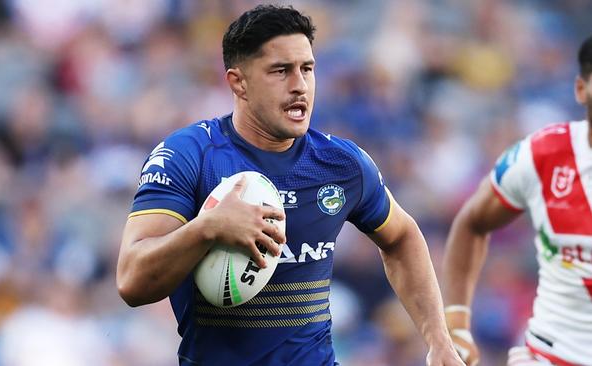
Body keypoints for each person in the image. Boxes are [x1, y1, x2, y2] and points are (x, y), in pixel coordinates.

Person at [116, 5, 463, 365]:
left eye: (307, 69)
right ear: (239, 82)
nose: (299, 85)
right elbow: (132, 281)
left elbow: (402, 237)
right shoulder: (189, 156)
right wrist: (207, 228)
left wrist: (438, 339)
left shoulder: (341, 164)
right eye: (280, 71)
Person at [442, 36, 592, 366]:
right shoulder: (543, 155)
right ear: (581, 89)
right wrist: (456, 323)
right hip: (551, 356)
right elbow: (472, 222)